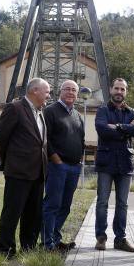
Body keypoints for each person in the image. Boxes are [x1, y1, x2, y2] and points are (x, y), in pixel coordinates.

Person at [0, 77, 51, 258]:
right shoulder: (15, 108)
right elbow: (1, 137)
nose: (49, 96)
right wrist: (11, 160)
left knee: (33, 214)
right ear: (35, 91)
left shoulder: (40, 112)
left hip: (38, 172)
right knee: (12, 212)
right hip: (18, 171)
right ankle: (6, 249)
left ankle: (28, 247)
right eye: (47, 92)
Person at [94, 78, 134, 252]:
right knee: (102, 202)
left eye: (123, 89)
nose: (119, 92)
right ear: (111, 89)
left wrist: (117, 127)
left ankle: (120, 239)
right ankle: (101, 238)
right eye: (117, 88)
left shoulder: (131, 111)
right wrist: (126, 129)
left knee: (122, 203)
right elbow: (102, 129)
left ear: (126, 92)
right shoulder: (102, 110)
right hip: (106, 163)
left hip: (125, 163)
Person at [41, 80, 85, 252]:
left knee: (65, 206)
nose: (70, 93)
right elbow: (45, 138)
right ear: (60, 91)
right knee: (52, 204)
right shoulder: (50, 111)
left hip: (74, 167)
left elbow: (81, 139)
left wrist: (80, 160)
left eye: (74, 90)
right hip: (57, 166)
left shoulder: (78, 115)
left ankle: (55, 238)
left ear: (77, 94)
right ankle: (46, 243)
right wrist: (56, 159)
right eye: (67, 89)